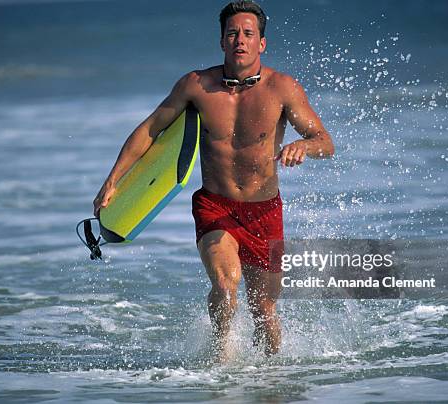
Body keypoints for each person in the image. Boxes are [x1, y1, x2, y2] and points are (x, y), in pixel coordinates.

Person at [93, 0, 334, 360]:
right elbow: (150, 130)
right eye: (232, 33)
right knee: (225, 284)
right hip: (215, 206)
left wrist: (303, 146)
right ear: (222, 41)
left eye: (248, 34)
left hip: (264, 212)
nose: (240, 40)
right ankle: (222, 361)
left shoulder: (283, 89)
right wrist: (114, 179)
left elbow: (325, 142)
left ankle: (272, 380)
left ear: (261, 44)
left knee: (263, 310)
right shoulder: (196, 85)